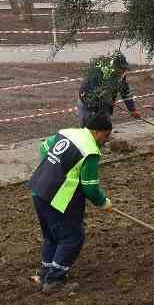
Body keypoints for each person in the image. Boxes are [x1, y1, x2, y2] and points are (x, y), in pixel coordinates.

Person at [27, 113, 114, 292]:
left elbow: (44, 146)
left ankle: (45, 273)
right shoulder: (90, 150)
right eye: (106, 135)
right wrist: (104, 202)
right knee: (72, 238)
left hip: (38, 188)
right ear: (97, 132)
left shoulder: (68, 133)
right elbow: (90, 188)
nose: (106, 140)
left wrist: (56, 168)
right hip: (57, 198)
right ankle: (54, 281)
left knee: (52, 235)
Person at [77, 52, 140, 125]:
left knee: (105, 126)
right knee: (89, 126)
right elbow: (93, 93)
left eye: (124, 69)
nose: (123, 71)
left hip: (105, 104)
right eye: (121, 68)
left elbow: (125, 91)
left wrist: (132, 110)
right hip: (87, 102)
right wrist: (106, 101)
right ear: (114, 67)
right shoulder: (98, 72)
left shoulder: (120, 74)